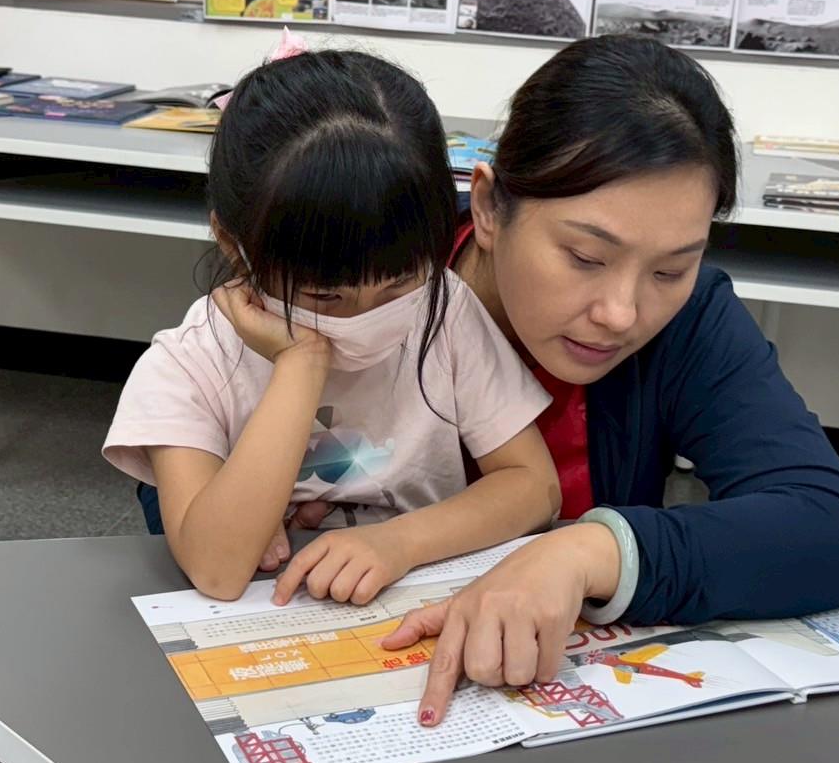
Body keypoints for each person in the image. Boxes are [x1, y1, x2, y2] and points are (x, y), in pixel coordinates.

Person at [371, 35, 839, 725]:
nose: (621, 314)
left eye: (670, 269)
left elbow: (827, 530)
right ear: (488, 208)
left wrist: (588, 550)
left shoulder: (689, 321)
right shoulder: (370, 284)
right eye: (585, 257)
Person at [103, 49, 561, 602]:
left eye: (398, 284)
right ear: (231, 242)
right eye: (325, 296)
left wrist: (398, 542)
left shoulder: (443, 310)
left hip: (412, 597)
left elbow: (535, 487)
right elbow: (217, 570)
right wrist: (301, 362)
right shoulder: (190, 364)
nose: (367, 315)